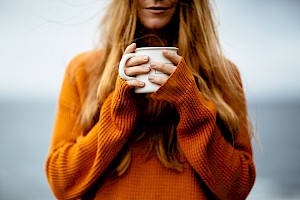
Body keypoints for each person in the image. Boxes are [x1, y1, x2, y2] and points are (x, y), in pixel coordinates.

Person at [45, 0, 256, 199]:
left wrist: (191, 104)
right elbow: (61, 183)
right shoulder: (83, 70)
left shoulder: (223, 74)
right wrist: (120, 108)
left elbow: (238, 190)